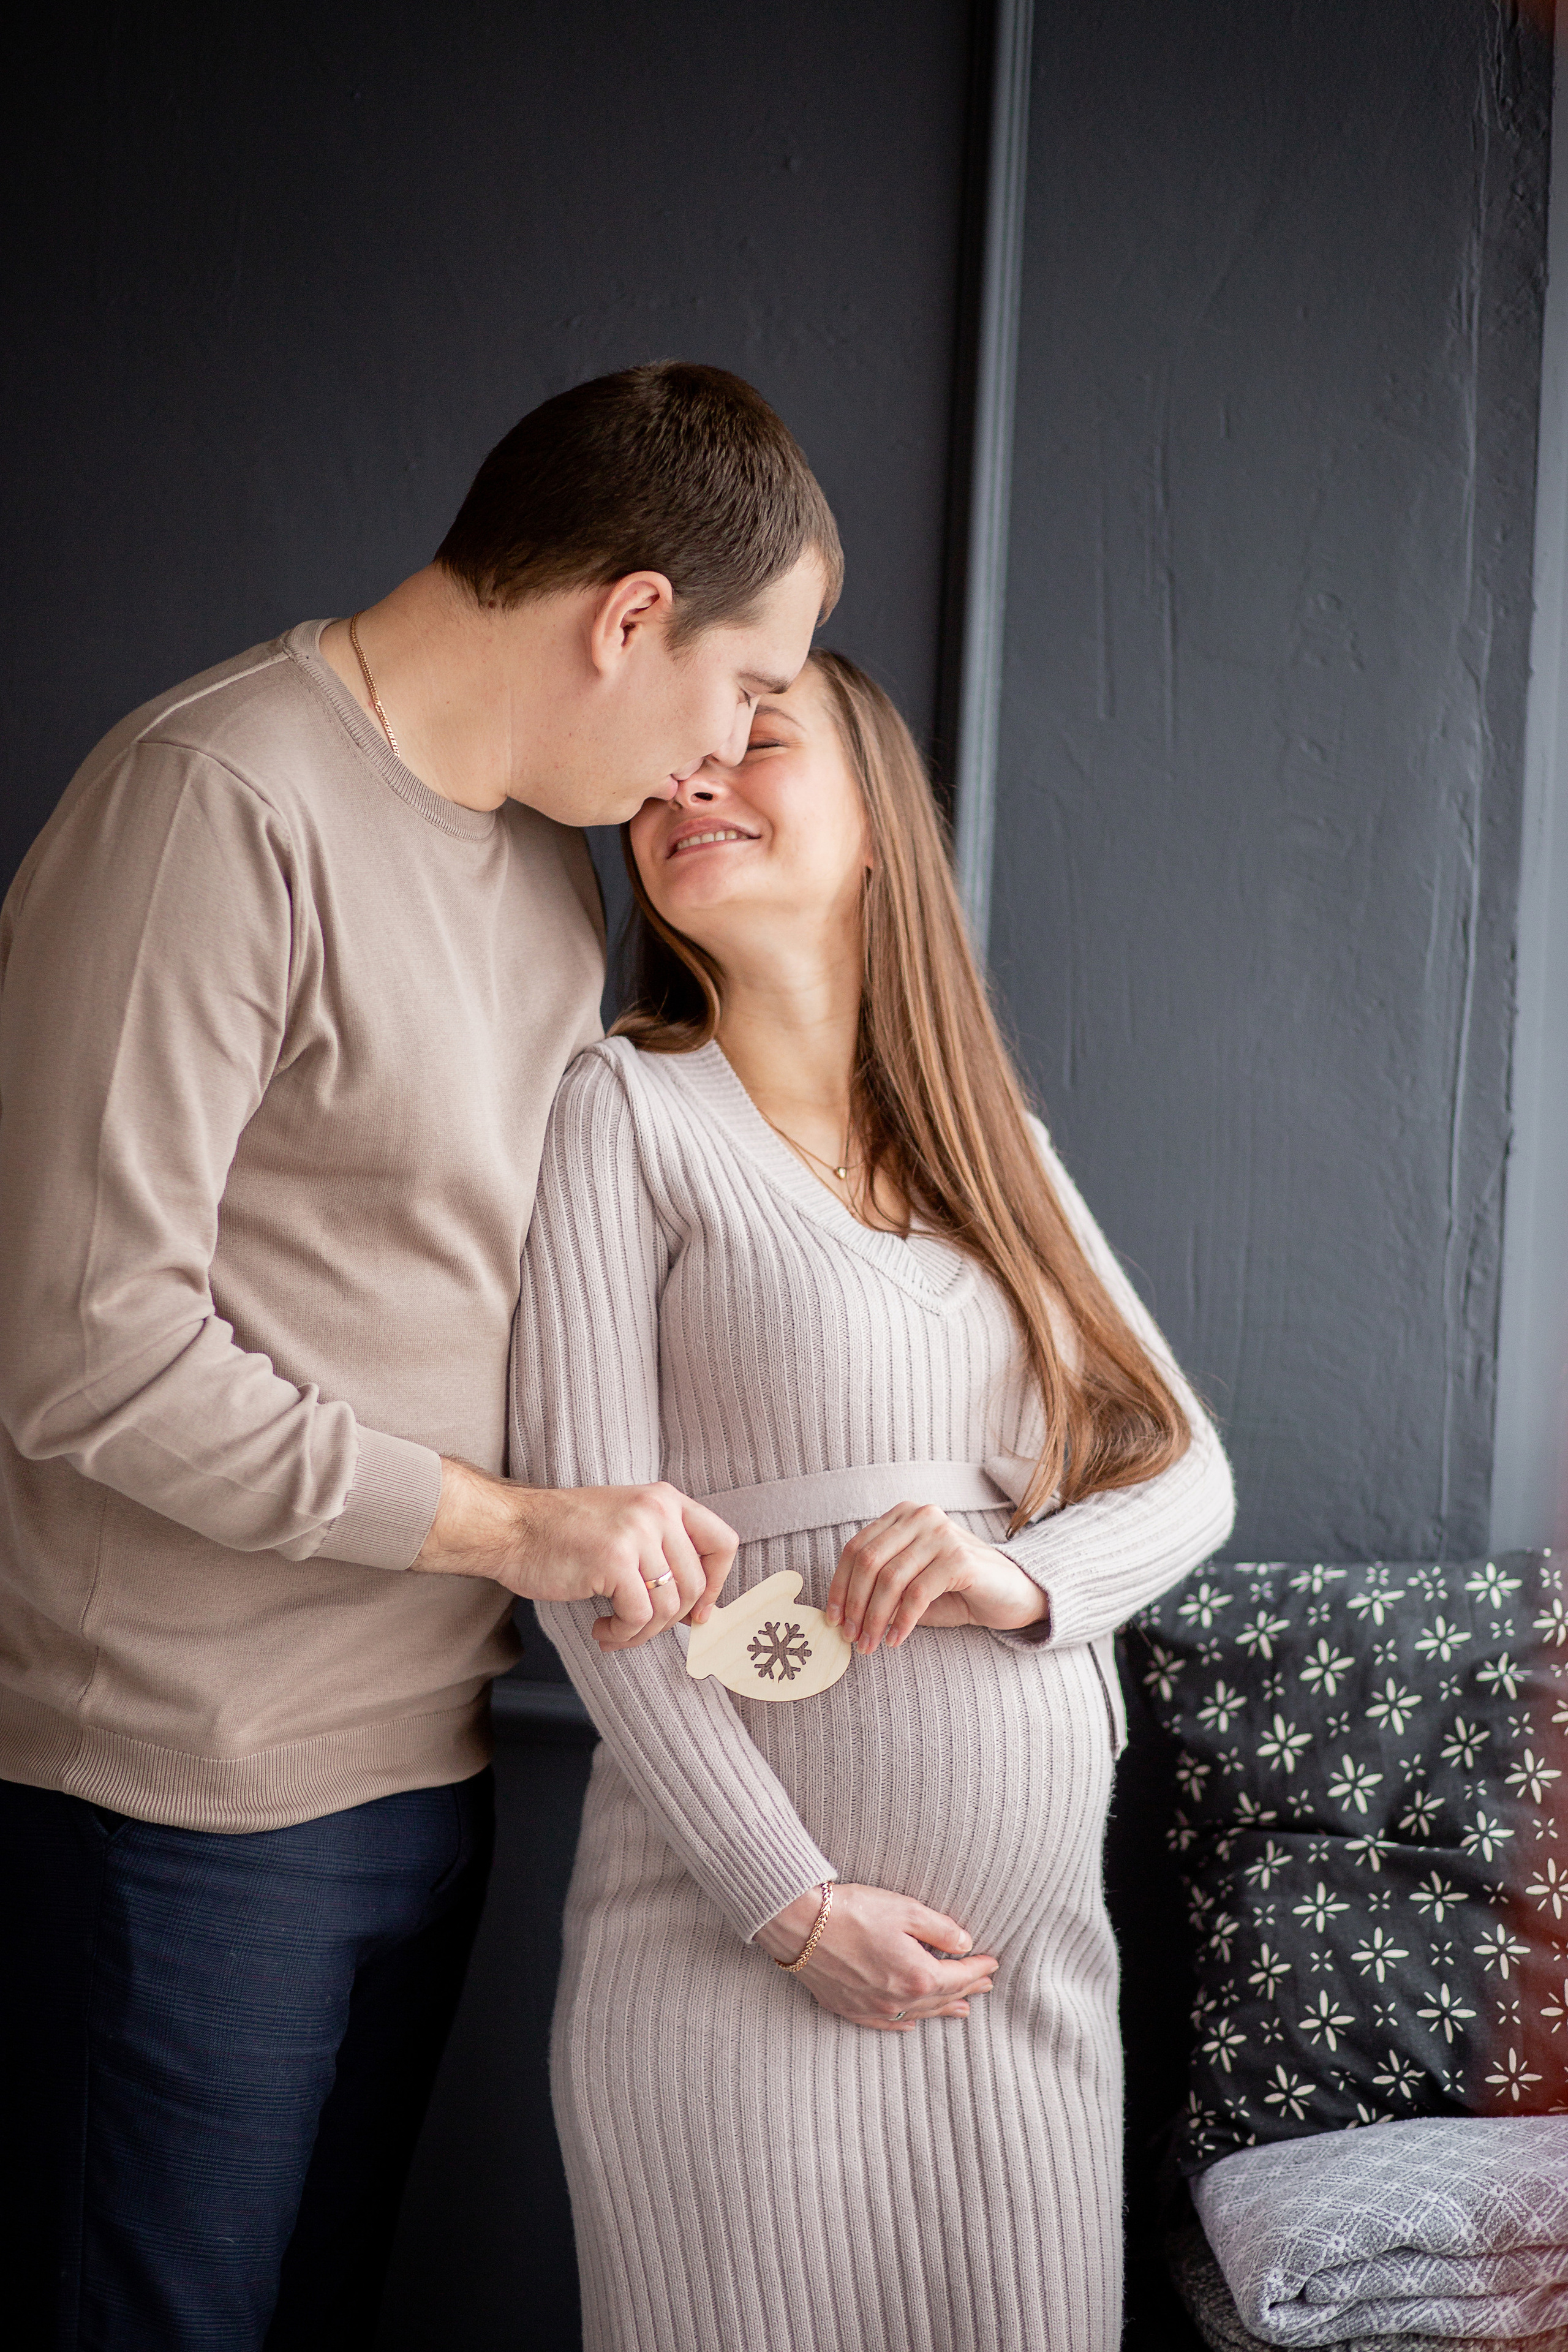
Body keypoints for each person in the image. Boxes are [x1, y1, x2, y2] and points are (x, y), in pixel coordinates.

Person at [0, 362, 840, 2350]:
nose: (723, 751)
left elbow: (502, 1320)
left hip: (422, 1761)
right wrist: (510, 1530)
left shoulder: (540, 867)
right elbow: (83, 1354)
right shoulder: (215, 800)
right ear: (629, 617)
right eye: (748, 683)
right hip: (185, 1800)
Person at [513, 649, 1237, 2352]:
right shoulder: (627, 1114)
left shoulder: (999, 1155)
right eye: (663, 778)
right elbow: (588, 1577)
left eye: (750, 747)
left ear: (878, 830)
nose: (689, 788)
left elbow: (1190, 1472)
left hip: (1025, 1985)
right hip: (729, 1958)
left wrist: (1028, 1581)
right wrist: (790, 1907)